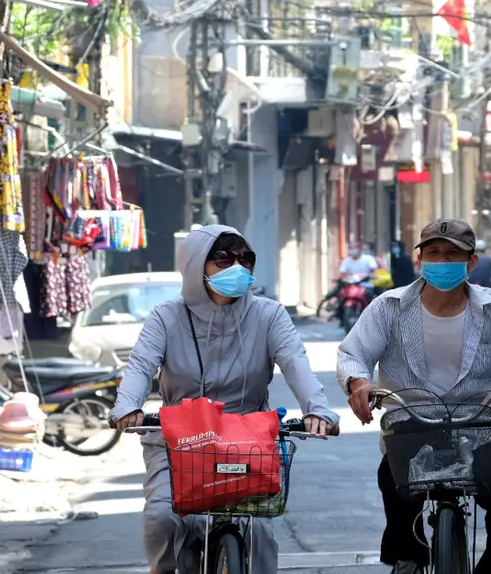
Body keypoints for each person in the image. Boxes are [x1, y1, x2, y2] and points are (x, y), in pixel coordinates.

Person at [109, 225, 339, 574]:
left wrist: (318, 411)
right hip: (178, 441)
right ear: (196, 266)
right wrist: (128, 407)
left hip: (247, 442)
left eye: (245, 259)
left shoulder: (269, 315)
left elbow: (297, 364)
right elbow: (141, 365)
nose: (237, 267)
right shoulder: (165, 317)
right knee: (163, 517)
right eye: (223, 258)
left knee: (258, 529)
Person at [337, 218, 491, 574]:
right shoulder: (388, 307)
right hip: (412, 424)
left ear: (470, 262)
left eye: (453, 254)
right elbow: (353, 354)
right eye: (434, 253)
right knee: (393, 485)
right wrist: (358, 383)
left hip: (484, 425)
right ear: (420, 258)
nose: (442, 261)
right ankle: (409, 556)